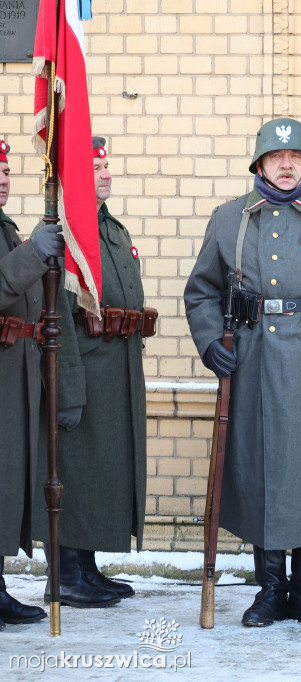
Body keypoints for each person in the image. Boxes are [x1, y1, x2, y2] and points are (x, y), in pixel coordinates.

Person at [184, 118, 301, 629]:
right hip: (253, 361)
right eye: (276, 157)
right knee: (260, 473)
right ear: (260, 164)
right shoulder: (230, 219)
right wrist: (210, 340)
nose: (286, 165)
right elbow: (202, 291)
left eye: (295, 157)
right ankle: (270, 590)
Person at [33, 136, 149, 608]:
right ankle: (63, 576)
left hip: (115, 374)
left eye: (106, 166)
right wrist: (67, 390)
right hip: (83, 372)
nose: (105, 174)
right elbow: (56, 316)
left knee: (98, 476)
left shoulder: (110, 229)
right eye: (94, 168)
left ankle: (86, 568)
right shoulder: (63, 233)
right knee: (74, 475)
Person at [0, 139, 60, 629]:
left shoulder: (4, 227)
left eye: (5, 170)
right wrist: (31, 256)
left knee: (6, 483)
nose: (3, 179)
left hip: (13, 375)